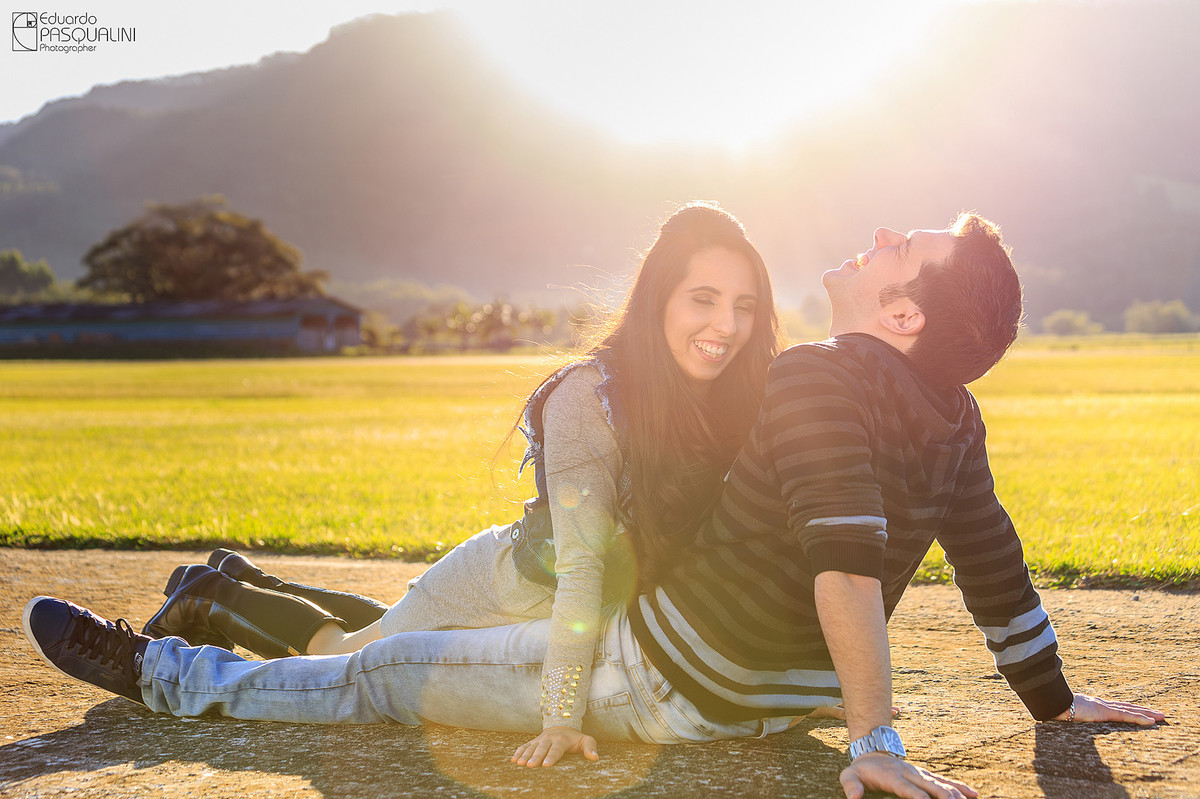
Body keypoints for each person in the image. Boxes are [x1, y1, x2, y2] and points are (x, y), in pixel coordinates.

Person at [24, 212, 1164, 798]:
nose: (874, 242)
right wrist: (1052, 700)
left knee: (375, 672)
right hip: (762, 698)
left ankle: (164, 672)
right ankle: (222, 606)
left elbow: (845, 556)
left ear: (905, 314)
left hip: (661, 677)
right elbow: (991, 561)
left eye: (897, 247)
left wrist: (877, 738)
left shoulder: (823, 374)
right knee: (403, 635)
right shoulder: (950, 417)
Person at [120, 201, 783, 765]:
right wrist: (560, 716)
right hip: (505, 589)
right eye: (703, 299)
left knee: (381, 630)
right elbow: (582, 569)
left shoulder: (725, 401)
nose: (726, 325)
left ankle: (251, 584)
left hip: (567, 600)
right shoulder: (593, 394)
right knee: (346, 652)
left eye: (744, 306)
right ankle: (213, 597)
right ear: (658, 298)